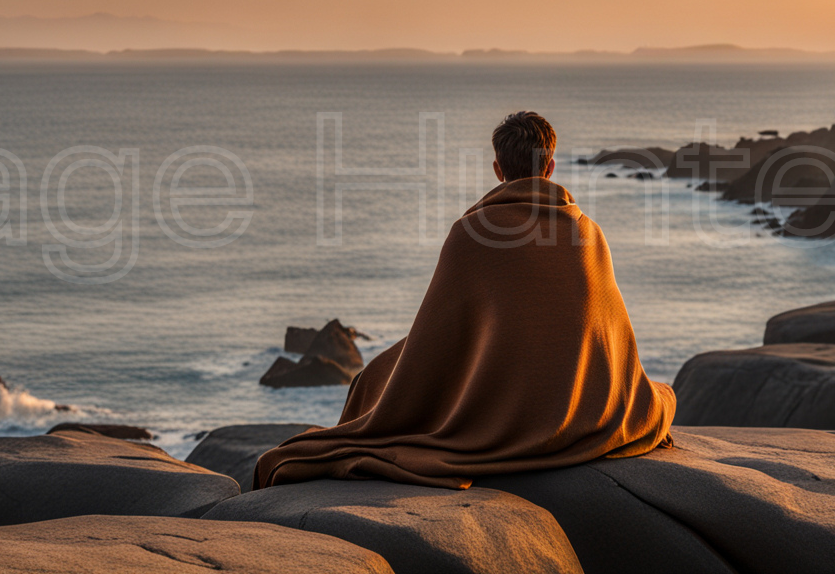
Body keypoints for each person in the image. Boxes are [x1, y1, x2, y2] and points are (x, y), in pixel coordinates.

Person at [255, 111, 675, 490]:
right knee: (662, 396)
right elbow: (608, 333)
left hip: (501, 390)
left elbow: (438, 336)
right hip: (579, 399)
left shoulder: (470, 233)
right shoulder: (588, 233)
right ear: (550, 166)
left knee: (371, 382)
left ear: (497, 169)